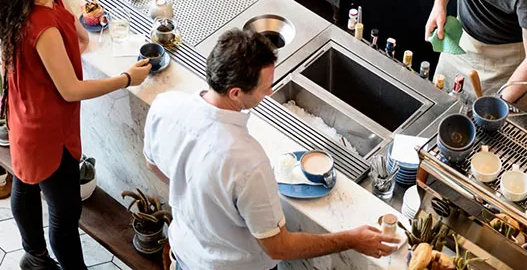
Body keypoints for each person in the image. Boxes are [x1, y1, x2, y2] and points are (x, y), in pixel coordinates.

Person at [143, 29, 400, 270]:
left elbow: (152, 164)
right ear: (235, 93)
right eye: (265, 87)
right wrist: (351, 239)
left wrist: (198, 194)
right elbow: (279, 247)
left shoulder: (165, 106)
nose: (271, 91)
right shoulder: (248, 162)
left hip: (184, 256)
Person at [0, 0, 151, 269]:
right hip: (46, 130)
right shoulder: (41, 26)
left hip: (25, 111)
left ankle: (34, 257)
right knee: (65, 213)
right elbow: (70, 90)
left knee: (25, 182)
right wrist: (126, 79)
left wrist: (75, 24)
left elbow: (76, 35)